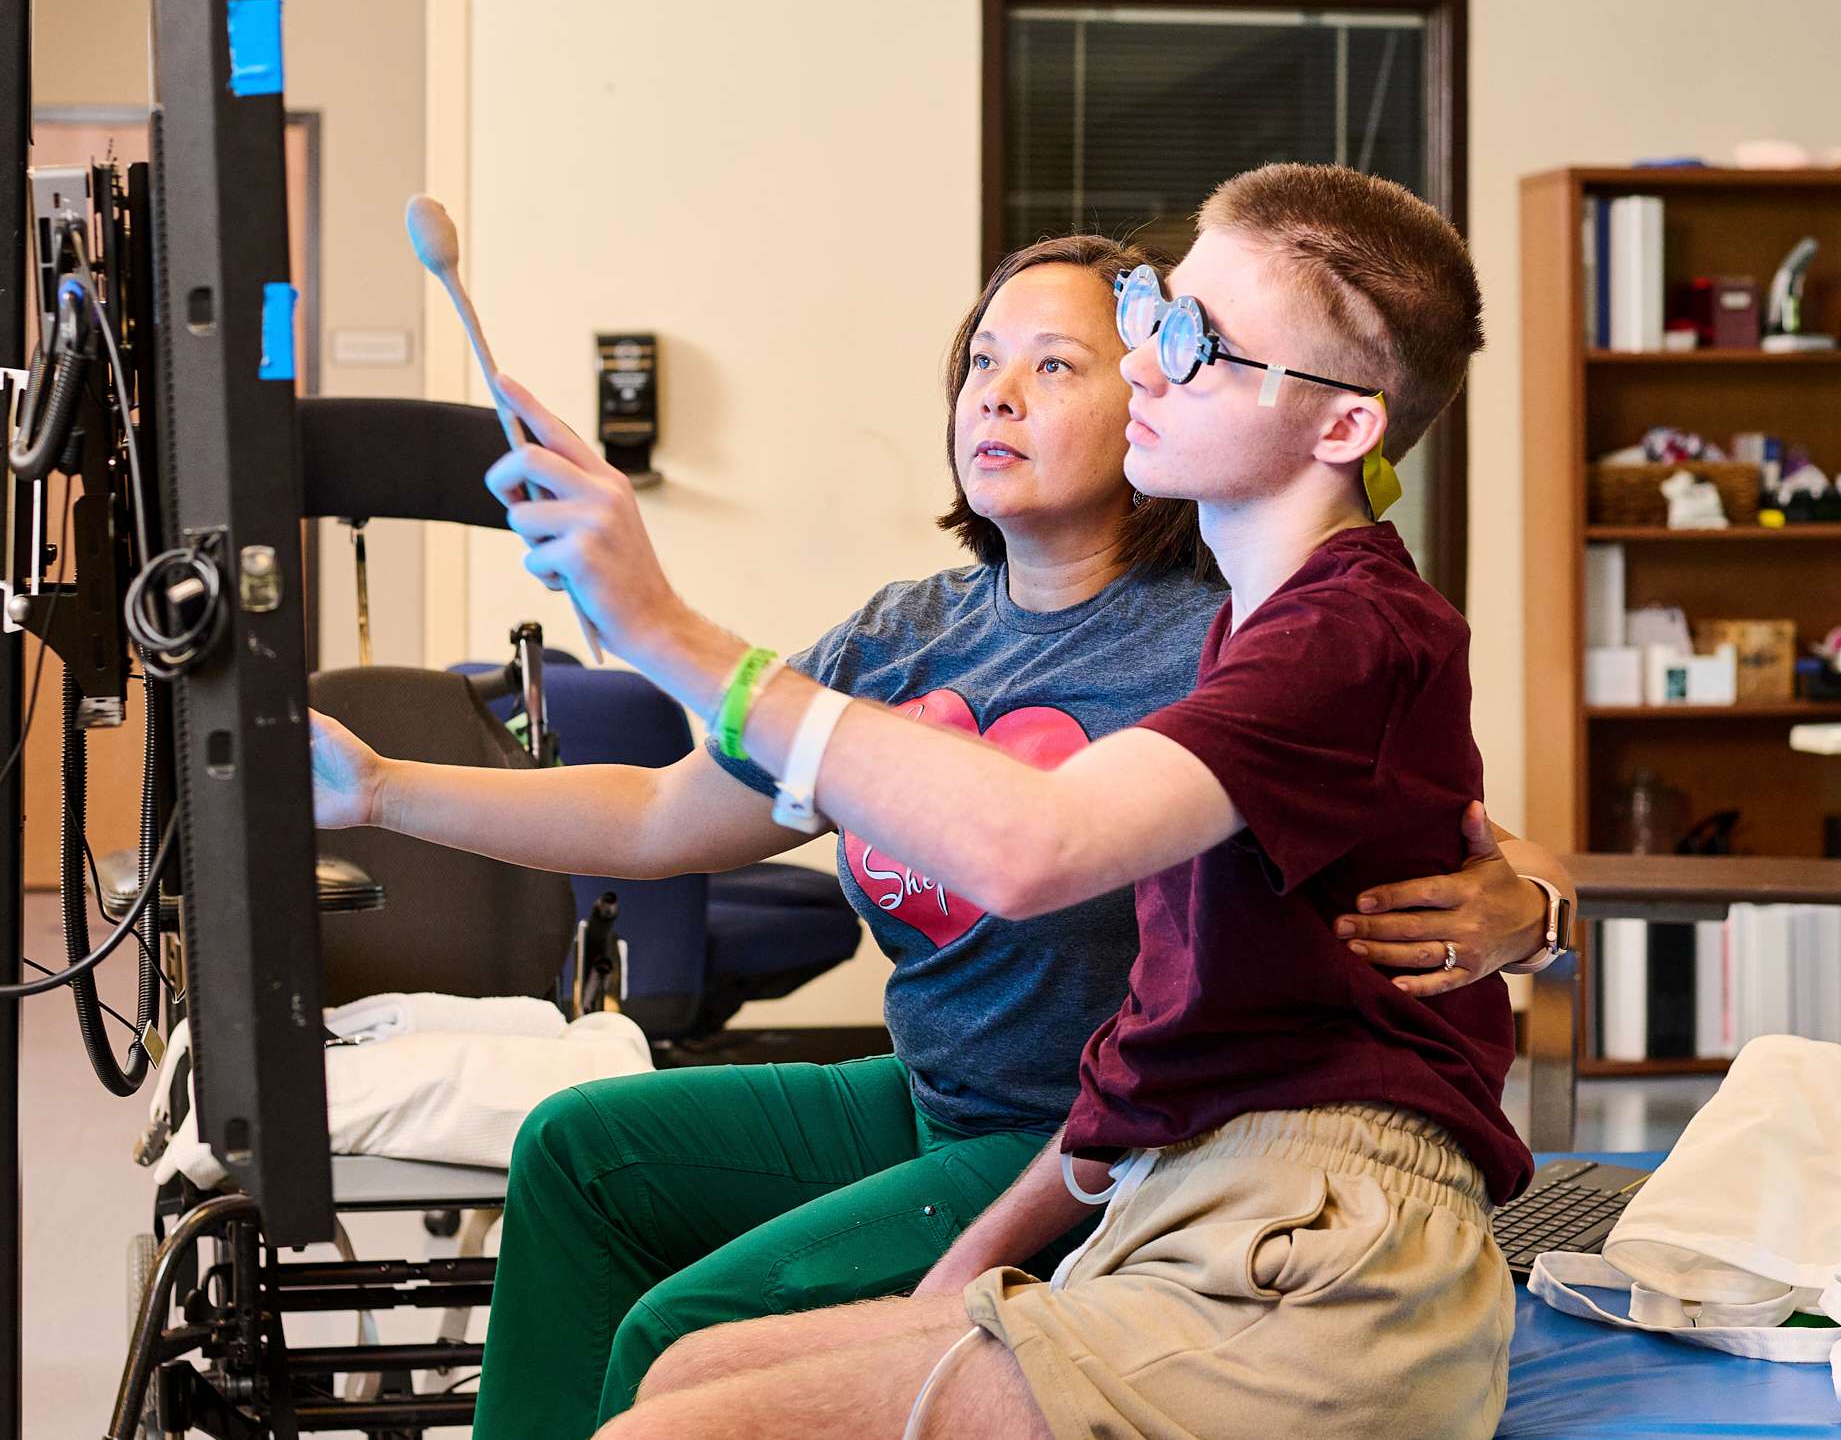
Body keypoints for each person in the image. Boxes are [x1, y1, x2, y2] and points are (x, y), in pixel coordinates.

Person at [309, 231, 1569, 1439]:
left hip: (1080, 1130)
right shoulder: (906, 635)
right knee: (580, 1150)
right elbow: (659, 811)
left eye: (1055, 364)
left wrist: (1535, 905)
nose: (998, 395)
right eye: (981, 359)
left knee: (681, 1328)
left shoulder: (1231, 628)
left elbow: (1444, 830)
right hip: (946, 1099)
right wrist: (376, 788)